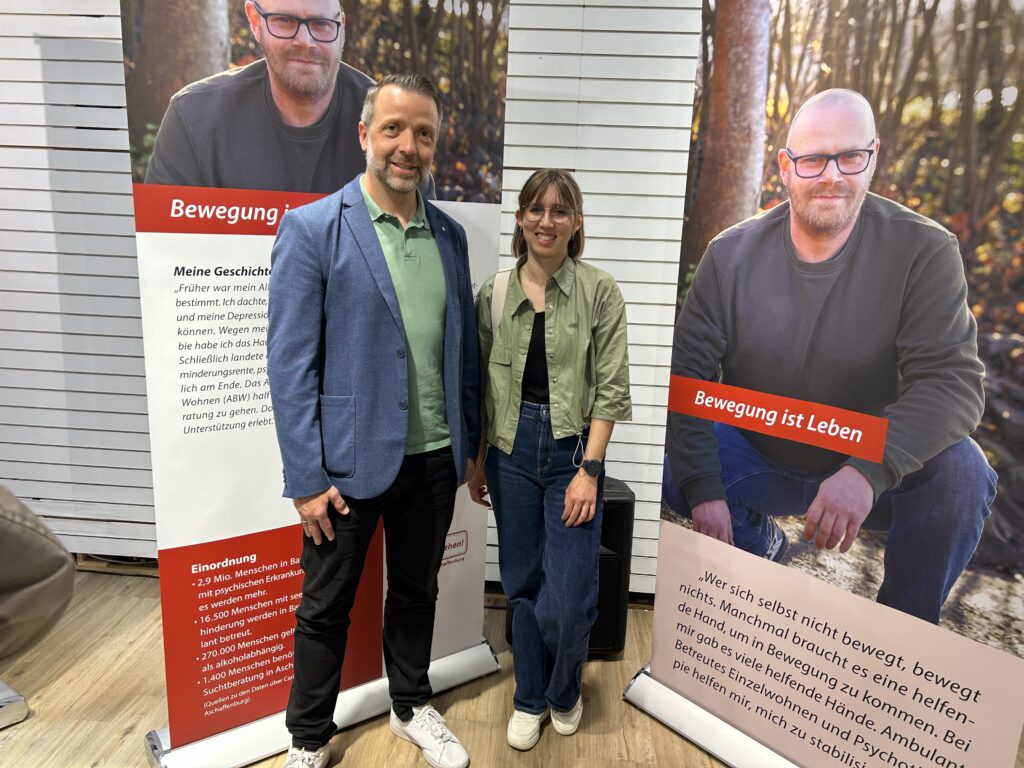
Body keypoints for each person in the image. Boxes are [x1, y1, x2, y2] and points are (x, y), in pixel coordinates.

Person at [665, 88, 997, 625]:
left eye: (850, 157)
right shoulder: (730, 254)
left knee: (963, 473)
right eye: (813, 158)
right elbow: (688, 379)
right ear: (785, 166)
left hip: (868, 465)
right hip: (759, 452)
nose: (832, 175)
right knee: (666, 459)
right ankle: (759, 550)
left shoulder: (924, 251)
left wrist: (868, 470)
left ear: (873, 157)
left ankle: (901, 634)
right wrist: (704, 492)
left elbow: (953, 384)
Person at [267, 74, 477, 768]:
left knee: (417, 592)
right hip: (345, 469)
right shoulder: (312, 228)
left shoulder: (449, 236)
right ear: (365, 135)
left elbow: (461, 352)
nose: (407, 146)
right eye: (393, 129)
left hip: (433, 458)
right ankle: (306, 739)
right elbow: (290, 362)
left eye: (422, 133)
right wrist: (304, 476)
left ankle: (411, 704)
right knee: (324, 609)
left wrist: (466, 445)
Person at [468, 169, 631, 750]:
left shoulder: (599, 292)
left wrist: (589, 470)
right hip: (510, 451)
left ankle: (567, 689)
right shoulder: (493, 294)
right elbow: (479, 386)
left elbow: (610, 389)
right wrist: (479, 458)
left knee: (567, 599)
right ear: (519, 218)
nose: (546, 220)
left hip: (571, 453)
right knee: (521, 585)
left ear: (576, 222)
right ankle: (531, 697)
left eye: (560, 210)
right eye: (535, 209)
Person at [145, 0, 432, 197]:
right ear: (255, 21)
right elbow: (162, 258)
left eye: (321, 24)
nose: (305, 42)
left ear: (341, 28)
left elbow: (420, 251)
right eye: (284, 21)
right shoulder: (194, 117)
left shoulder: (391, 120)